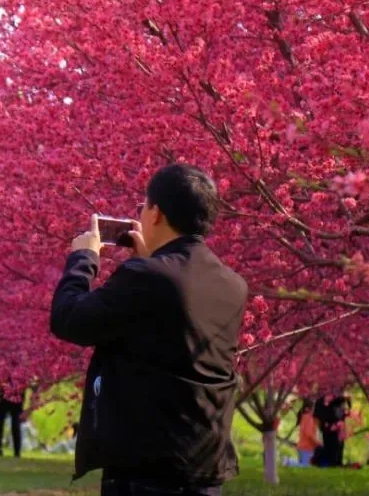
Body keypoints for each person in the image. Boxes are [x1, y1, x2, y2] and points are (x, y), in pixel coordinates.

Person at [50, 164, 248, 496]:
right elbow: (173, 338)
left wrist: (83, 258)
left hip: (147, 471)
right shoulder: (233, 285)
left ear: (155, 213)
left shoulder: (148, 278)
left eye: (143, 207)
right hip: (203, 467)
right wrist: (150, 260)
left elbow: (69, 319)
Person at [313, 393, 350, 467]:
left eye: (331, 396)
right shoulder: (319, 404)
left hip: (335, 426)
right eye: (329, 396)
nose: (330, 398)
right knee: (329, 445)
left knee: (338, 445)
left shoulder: (334, 403)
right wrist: (326, 425)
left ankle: (337, 462)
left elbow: (342, 411)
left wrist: (337, 424)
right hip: (326, 428)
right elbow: (317, 416)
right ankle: (330, 462)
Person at [0, 388, 25, 458]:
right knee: (0, 421)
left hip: (14, 393)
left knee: (14, 423)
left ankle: (16, 451)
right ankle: (0, 447)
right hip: (9, 394)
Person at [296, 400, 320, 467]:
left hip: (305, 447)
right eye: (314, 408)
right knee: (305, 466)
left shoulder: (304, 417)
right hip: (306, 447)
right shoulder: (308, 418)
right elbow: (308, 434)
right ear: (308, 409)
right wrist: (318, 443)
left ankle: (289, 462)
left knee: (306, 466)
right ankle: (288, 462)